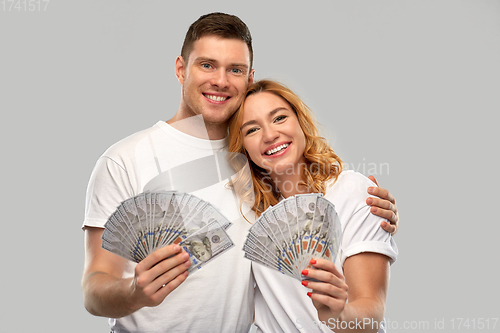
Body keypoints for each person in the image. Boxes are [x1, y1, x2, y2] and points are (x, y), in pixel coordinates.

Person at [81, 12, 399, 332]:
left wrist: (365, 200)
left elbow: (319, 189)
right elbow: (94, 288)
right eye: (207, 65)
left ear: (248, 79)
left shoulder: (258, 169)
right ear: (181, 69)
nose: (220, 80)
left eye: (235, 69)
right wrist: (134, 293)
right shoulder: (124, 160)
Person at [227, 80, 398, 332]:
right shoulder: (247, 216)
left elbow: (371, 308)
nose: (270, 135)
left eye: (279, 118)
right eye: (252, 130)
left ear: (300, 121)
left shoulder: (352, 192)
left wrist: (338, 315)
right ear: (242, 148)